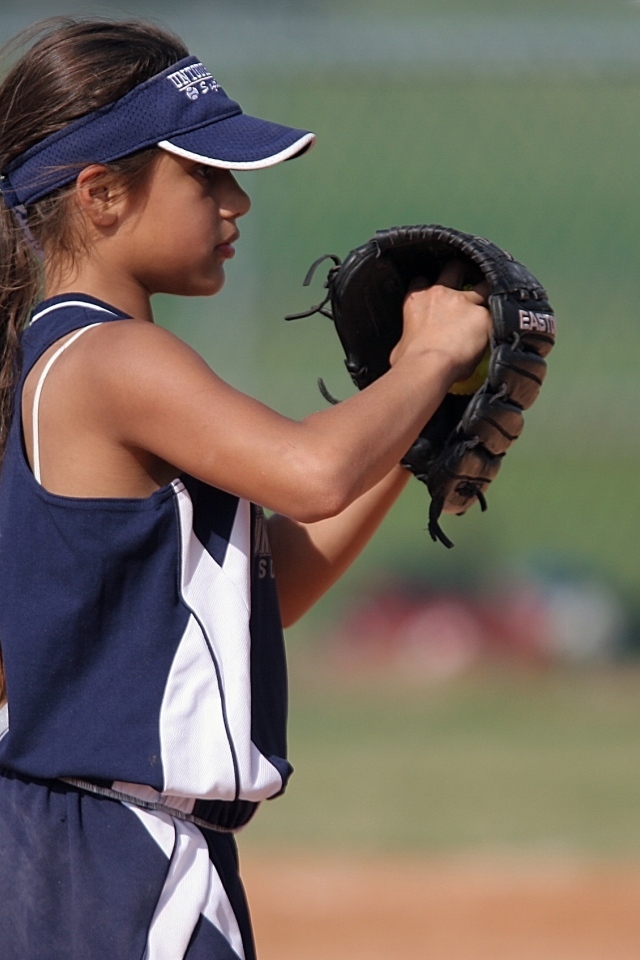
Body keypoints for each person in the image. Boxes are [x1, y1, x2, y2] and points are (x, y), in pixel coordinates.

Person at [0, 17, 490, 960]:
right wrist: (426, 359)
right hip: (105, 864)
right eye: (204, 175)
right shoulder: (110, 357)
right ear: (101, 194)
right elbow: (309, 473)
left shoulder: (67, 357)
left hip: (111, 855)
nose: (236, 204)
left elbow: (275, 587)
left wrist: (415, 428)